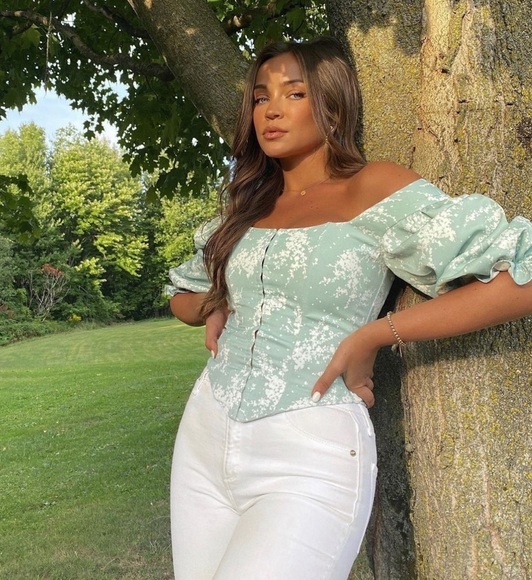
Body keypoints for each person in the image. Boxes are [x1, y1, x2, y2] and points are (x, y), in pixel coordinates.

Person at [165, 37, 532, 579]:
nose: (271, 109)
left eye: (294, 93)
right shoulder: (249, 203)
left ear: (332, 107)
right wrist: (216, 303)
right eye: (261, 96)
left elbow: (522, 278)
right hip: (205, 434)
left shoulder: (372, 187)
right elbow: (181, 296)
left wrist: (376, 334)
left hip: (309, 448)